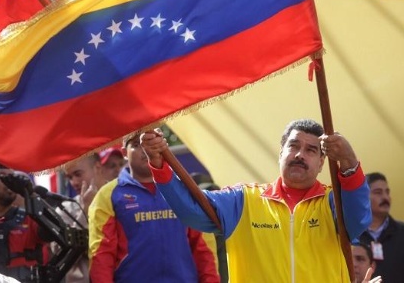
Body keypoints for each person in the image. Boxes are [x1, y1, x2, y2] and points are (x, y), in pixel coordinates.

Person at [140, 119, 372, 282]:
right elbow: (192, 210)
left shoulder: (333, 202)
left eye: (311, 150)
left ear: (322, 163)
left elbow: (358, 219)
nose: (300, 154)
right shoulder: (244, 200)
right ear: (280, 152)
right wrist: (159, 164)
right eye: (293, 145)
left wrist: (349, 161)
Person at [89, 132, 220, 282]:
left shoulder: (185, 188)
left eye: (150, 141)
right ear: (124, 152)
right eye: (137, 145)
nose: (145, 149)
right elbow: (101, 255)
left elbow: (204, 248)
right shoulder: (108, 195)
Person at [56, 153, 119, 283]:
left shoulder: (123, 199)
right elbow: (61, 255)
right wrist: (86, 211)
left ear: (97, 167)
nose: (73, 182)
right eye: (69, 177)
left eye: (78, 174)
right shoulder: (65, 209)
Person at [358, 172, 404, 282]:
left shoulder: (402, 232)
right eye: (378, 192)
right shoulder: (351, 234)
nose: (385, 197)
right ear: (363, 196)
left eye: (387, 192)